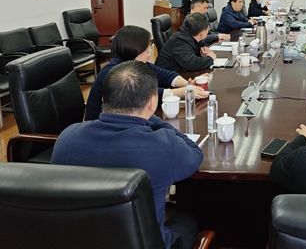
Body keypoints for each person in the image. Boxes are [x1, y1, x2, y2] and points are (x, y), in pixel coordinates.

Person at [52, 61, 205, 249]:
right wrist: (153, 119)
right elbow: (195, 154)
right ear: (152, 102)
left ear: (103, 99)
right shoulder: (163, 145)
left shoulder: (66, 138)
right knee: (189, 218)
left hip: (78, 240)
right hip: (144, 243)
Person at [85, 25, 208, 121]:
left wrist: (187, 84)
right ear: (133, 48)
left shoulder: (136, 62)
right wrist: (186, 91)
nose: (150, 52)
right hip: (102, 127)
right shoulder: (115, 72)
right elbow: (144, 95)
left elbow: (164, 75)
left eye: (150, 46)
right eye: (146, 48)